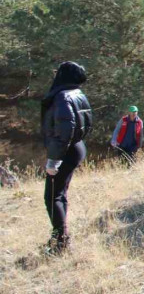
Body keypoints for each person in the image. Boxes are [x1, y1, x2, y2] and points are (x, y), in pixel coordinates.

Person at [42, 61, 91, 254]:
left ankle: (61, 243)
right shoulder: (77, 93)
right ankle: (59, 237)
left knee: (52, 197)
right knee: (59, 194)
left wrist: (54, 160)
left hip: (66, 151)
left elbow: (65, 131)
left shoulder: (62, 96)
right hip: (77, 147)